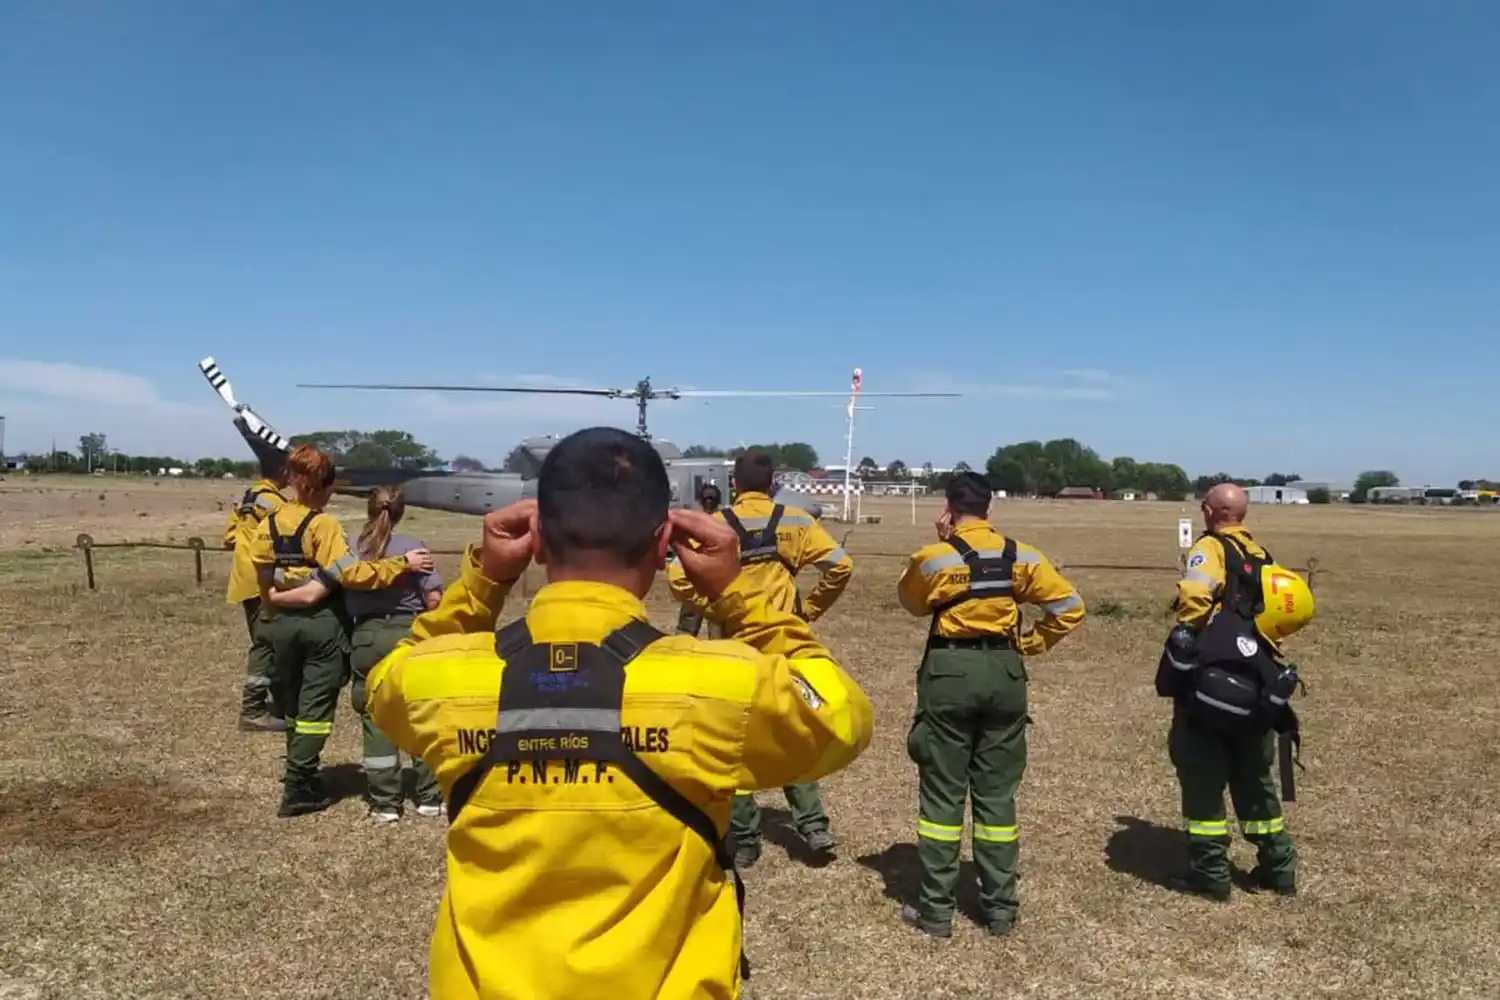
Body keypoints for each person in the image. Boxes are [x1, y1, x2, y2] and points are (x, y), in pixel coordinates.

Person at [364, 426, 874, 1000]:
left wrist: (482, 583)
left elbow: (383, 686)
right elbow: (842, 717)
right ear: (664, 545)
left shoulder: (439, 678)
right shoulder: (722, 683)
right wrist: (741, 596)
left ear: (535, 537)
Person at [894, 470, 1086, 938]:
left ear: (949, 510)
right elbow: (1070, 607)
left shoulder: (933, 558)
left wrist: (943, 544)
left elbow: (913, 604)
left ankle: (936, 911)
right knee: (997, 795)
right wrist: (1031, 644)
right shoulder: (1024, 556)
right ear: (990, 511)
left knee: (942, 793)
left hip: (949, 674)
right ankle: (1000, 908)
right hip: (1005, 672)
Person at [668, 449, 855, 868]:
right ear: (773, 484)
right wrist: (809, 613)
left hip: (731, 647)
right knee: (796, 726)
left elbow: (678, 576)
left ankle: (746, 837)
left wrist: (718, 605)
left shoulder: (715, 525)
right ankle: (812, 825)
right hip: (784, 642)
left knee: (733, 740)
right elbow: (841, 566)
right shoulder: (797, 522)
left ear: (734, 484)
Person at [251, 445, 436, 817]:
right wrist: (401, 564)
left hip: (278, 622)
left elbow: (264, 578)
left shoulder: (266, 524)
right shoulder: (324, 526)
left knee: (290, 702)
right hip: (322, 625)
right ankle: (299, 783)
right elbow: (348, 575)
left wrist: (274, 601)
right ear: (322, 485)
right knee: (315, 710)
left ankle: (305, 773)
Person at [1155, 482, 1315, 900]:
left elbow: (1195, 593)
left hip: (1212, 677)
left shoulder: (1209, 549)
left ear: (1209, 511)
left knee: (1203, 774)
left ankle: (1210, 874)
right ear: (1242, 515)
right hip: (1256, 678)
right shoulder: (1263, 556)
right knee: (1254, 777)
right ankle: (1279, 868)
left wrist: (1188, 636)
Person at [221, 456, 291, 731]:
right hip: (264, 582)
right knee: (266, 645)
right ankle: (253, 710)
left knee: (268, 642)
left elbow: (229, 538)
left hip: (244, 580)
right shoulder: (275, 504)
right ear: (283, 472)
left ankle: (277, 702)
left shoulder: (248, 496)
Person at [675, 481, 723, 639]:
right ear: (701, 500)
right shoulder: (694, 519)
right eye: (707, 498)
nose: (709, 501)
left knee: (718, 632)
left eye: (711, 498)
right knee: (687, 629)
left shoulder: (723, 519)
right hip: (696, 579)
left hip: (715, 582)